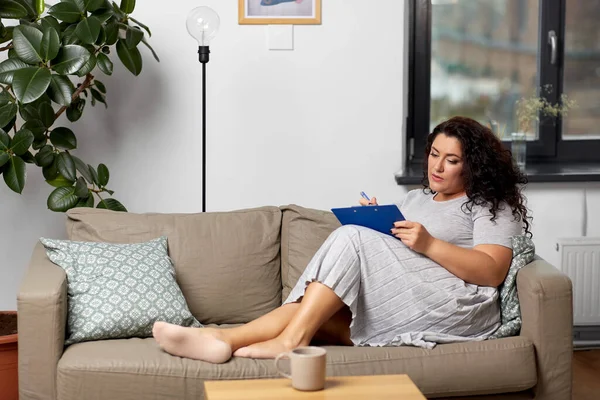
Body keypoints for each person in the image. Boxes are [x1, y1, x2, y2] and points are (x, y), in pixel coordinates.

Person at [152, 116, 531, 363]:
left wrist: (429, 243)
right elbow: (401, 255)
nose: (436, 166)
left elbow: (493, 271)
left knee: (351, 238)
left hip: (459, 305)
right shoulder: (416, 200)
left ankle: (288, 342)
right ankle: (222, 341)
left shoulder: (490, 205)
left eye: (451, 160)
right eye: (434, 154)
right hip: (410, 293)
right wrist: (380, 222)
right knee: (323, 309)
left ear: (474, 165)